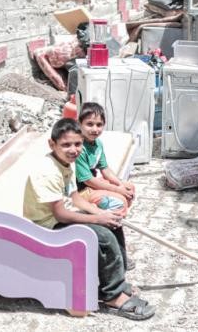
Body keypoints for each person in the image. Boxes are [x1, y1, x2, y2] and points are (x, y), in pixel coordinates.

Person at [22, 118, 155, 320]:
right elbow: (60, 214)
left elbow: (75, 198)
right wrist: (97, 220)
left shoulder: (67, 163)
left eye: (77, 144)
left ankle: (114, 281)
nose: (73, 149)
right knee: (103, 237)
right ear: (52, 144)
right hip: (46, 226)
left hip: (61, 217)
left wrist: (100, 213)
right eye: (66, 144)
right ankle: (113, 297)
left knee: (114, 224)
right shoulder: (48, 171)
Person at [75, 102, 136, 215]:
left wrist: (120, 185)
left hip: (92, 185)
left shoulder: (98, 143)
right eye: (89, 124)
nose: (95, 129)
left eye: (99, 125)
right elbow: (88, 180)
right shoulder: (78, 148)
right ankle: (96, 213)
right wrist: (117, 190)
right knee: (120, 202)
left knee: (129, 187)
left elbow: (105, 169)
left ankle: (106, 208)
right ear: (79, 124)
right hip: (81, 191)